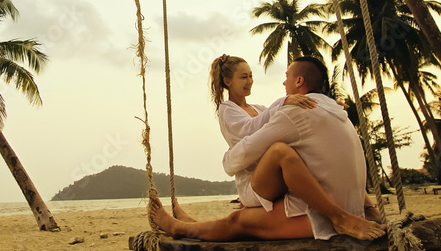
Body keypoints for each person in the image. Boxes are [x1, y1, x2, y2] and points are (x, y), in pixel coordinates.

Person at [150, 55, 384, 241]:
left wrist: (228, 160)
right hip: (271, 182)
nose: (283, 82)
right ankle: (188, 224)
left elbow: (258, 138)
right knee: (243, 213)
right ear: (227, 82)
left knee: (238, 221)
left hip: (301, 200)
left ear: (299, 81)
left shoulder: (284, 110)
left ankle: (177, 227)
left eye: (250, 76)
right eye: (244, 77)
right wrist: (288, 103)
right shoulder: (229, 109)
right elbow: (253, 129)